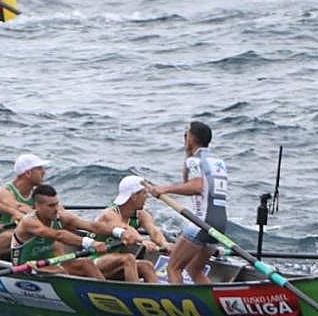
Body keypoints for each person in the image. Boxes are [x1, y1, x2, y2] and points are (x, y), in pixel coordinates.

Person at [151, 121, 228, 285]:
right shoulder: (218, 163)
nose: (184, 138)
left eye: (186, 135)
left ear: (192, 139)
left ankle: (177, 301)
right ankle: (211, 299)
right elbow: (188, 181)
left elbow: (196, 187)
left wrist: (164, 189)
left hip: (201, 223)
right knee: (194, 270)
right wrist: (188, 155)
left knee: (173, 268)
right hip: (220, 225)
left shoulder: (194, 161)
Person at [8, 184, 110, 278]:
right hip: (24, 268)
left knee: (87, 263)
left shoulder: (60, 217)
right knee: (61, 271)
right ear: (37, 206)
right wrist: (91, 243)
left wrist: (117, 232)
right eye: (51, 206)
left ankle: (105, 289)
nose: (56, 209)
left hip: (48, 263)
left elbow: (91, 226)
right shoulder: (29, 221)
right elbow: (59, 235)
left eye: (57, 204)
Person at [93, 176, 170, 283]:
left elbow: (154, 232)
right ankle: (135, 291)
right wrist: (143, 241)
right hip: (94, 260)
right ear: (134, 196)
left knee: (146, 266)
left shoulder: (141, 215)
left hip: (116, 262)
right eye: (144, 193)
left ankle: (158, 293)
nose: (147, 196)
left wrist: (165, 244)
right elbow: (126, 229)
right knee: (128, 259)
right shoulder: (109, 214)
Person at [0, 153, 50, 226]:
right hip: (4, 231)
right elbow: (18, 207)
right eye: (39, 168)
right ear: (28, 173)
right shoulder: (4, 191)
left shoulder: (37, 192)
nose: (44, 172)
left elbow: (56, 208)